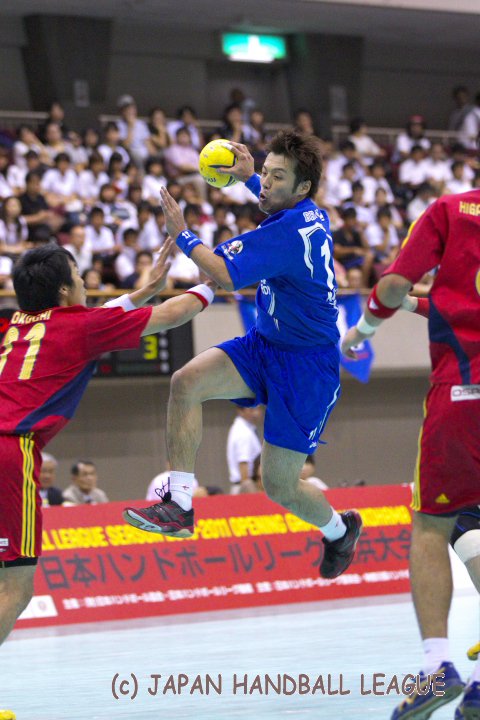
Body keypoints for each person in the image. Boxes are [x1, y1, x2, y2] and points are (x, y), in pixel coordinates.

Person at [124, 130, 363, 581]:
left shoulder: (287, 233)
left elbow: (227, 275)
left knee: (279, 487)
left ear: (302, 187)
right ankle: (178, 503)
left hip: (306, 370)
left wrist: (182, 234)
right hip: (265, 345)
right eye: (266, 173)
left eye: (276, 177)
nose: (266, 184)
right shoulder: (306, 211)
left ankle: (339, 530)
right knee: (186, 382)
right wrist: (251, 177)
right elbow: (272, 199)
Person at [0, 239, 216, 655]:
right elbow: (173, 314)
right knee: (15, 586)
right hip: (9, 454)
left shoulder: (15, 326)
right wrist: (212, 283)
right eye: (79, 277)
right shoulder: (81, 327)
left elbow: (94, 319)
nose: (85, 283)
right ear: (65, 290)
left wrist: (145, 290)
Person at [341, 184, 480, 718]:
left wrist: (362, 330)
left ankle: (437, 667)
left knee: (430, 527)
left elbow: (394, 284)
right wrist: (422, 304)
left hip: (463, 393)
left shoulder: (452, 209)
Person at [227, 407, 262, 494]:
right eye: (252, 410)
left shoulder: (248, 429)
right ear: (240, 411)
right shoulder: (243, 432)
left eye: (258, 409)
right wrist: (248, 491)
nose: (256, 413)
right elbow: (243, 464)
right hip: (245, 488)